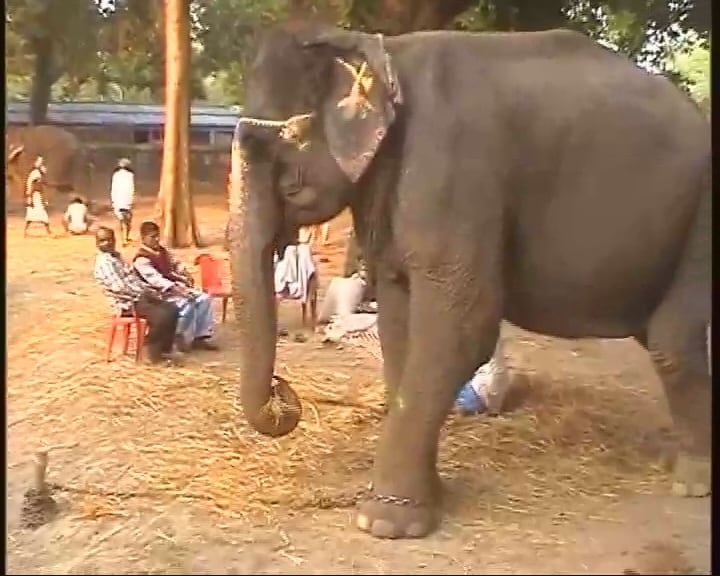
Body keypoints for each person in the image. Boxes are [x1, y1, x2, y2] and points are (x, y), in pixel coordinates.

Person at [93, 227, 180, 365]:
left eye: (110, 239)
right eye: (103, 240)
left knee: (172, 308)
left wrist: (148, 290)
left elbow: (133, 279)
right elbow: (119, 288)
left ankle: (164, 350)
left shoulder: (116, 257)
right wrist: (142, 293)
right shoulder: (104, 262)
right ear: (97, 243)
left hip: (137, 296)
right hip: (126, 303)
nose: (107, 243)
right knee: (161, 315)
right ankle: (151, 352)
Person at [133, 221, 219, 352]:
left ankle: (200, 337)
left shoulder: (162, 251)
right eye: (152, 237)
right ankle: (178, 337)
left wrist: (184, 272)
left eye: (157, 236)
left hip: (175, 287)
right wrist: (176, 288)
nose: (156, 239)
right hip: (158, 294)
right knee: (186, 303)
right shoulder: (141, 259)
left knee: (204, 299)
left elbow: (175, 262)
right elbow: (156, 280)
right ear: (143, 238)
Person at [24, 156, 52, 237]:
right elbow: (33, 185)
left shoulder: (37, 173)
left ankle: (48, 231)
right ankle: (48, 231)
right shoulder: (36, 173)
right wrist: (30, 197)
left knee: (33, 214)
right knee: (38, 213)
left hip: (35, 196)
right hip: (35, 196)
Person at [110, 157, 135, 246]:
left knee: (122, 221)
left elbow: (113, 189)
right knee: (127, 221)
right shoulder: (130, 175)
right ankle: (125, 238)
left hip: (117, 200)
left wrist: (113, 201)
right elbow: (131, 188)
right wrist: (131, 200)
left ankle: (124, 238)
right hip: (126, 200)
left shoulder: (115, 175)